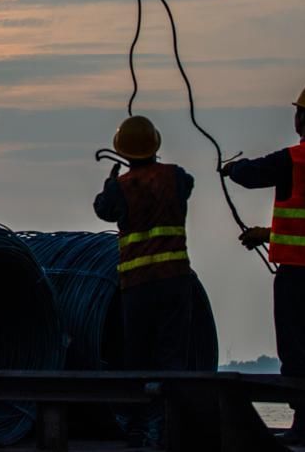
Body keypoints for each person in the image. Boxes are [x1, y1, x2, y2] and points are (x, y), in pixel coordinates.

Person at [220, 81, 305, 447]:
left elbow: (252, 175)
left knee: (295, 352)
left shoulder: (292, 161)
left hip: (297, 275)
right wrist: (266, 234)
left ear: (301, 118)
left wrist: (232, 169)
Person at [94, 115, 194, 448]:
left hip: (138, 286)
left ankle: (138, 424)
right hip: (175, 282)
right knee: (171, 355)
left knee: (137, 356)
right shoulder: (176, 178)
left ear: (123, 152)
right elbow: (187, 184)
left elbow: (102, 209)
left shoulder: (121, 188)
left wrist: (111, 184)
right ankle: (170, 424)